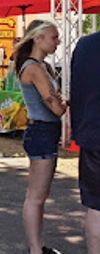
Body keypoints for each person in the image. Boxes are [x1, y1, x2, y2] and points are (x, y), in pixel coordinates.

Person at [14, 20, 67, 254]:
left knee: (38, 194)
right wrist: (62, 101)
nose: (57, 41)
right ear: (38, 38)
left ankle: (38, 246)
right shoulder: (34, 68)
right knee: (36, 195)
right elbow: (57, 107)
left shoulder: (40, 66)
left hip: (44, 130)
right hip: (42, 130)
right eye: (53, 37)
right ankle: (36, 248)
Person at [69, 31, 100, 254]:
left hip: (93, 134)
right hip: (92, 133)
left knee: (96, 208)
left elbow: (76, 89)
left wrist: (79, 129)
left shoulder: (86, 44)